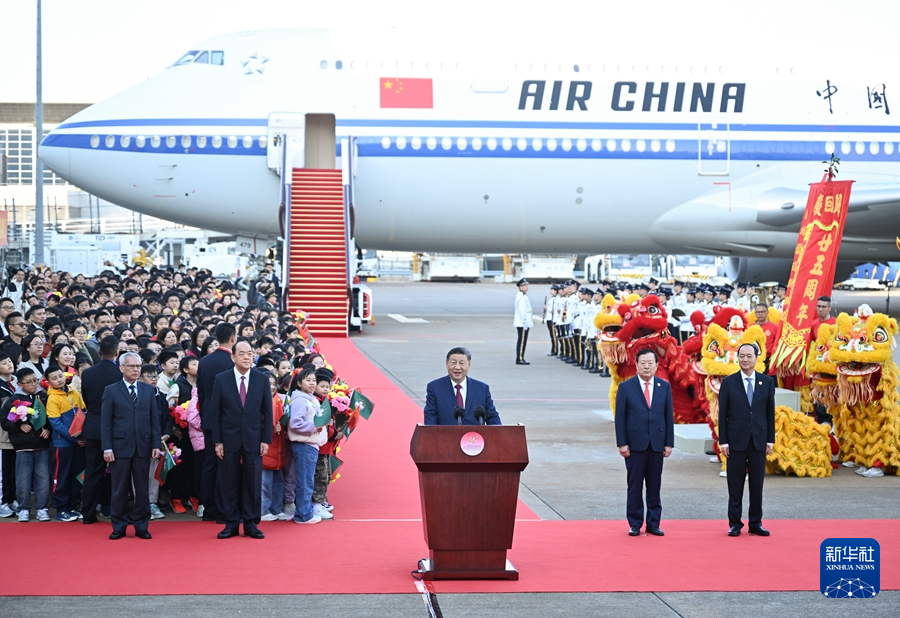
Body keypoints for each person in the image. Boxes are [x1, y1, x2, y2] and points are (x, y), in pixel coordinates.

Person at [207, 340, 273, 539]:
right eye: (242, 353)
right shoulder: (222, 379)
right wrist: (218, 441)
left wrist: (265, 439)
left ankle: (251, 523)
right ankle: (231, 523)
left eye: (250, 353)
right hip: (229, 439)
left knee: (253, 482)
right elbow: (215, 412)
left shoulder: (261, 379)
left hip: (254, 438)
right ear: (233, 357)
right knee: (229, 482)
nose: (247, 357)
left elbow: (267, 412)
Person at [101, 352, 162, 540]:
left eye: (138, 366)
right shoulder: (111, 390)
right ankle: (119, 526)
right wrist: (107, 448)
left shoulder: (147, 390)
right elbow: (106, 422)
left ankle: (141, 525)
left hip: (143, 445)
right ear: (121, 368)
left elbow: (154, 420)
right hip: (119, 446)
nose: (136, 369)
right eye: (131, 366)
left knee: (142, 488)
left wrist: (155, 444)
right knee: (119, 488)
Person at [614, 349, 674, 537]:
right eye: (643, 363)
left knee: (654, 486)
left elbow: (668, 417)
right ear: (636, 364)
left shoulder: (664, 387)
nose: (647, 366)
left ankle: (653, 523)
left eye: (650, 363)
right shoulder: (626, 387)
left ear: (657, 366)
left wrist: (668, 443)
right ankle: (635, 523)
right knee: (635, 486)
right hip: (635, 445)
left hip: (657, 444)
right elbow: (620, 418)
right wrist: (622, 443)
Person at [718, 343, 775, 537]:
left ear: (756, 358)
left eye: (748, 356)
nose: (745, 359)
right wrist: (723, 442)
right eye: (741, 356)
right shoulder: (728, 382)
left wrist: (770, 440)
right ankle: (735, 523)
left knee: (757, 484)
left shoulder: (766, 382)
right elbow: (722, 414)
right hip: (735, 441)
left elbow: (769, 413)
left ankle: (755, 522)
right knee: (735, 483)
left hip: (759, 440)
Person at [196, 322, 236, 522]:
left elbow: (201, 393)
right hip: (229, 421)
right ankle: (223, 510)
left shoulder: (204, 361)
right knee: (225, 465)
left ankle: (209, 508)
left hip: (210, 418)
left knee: (210, 463)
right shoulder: (233, 361)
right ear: (233, 338)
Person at [0, 368, 51, 522]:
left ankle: (42, 508)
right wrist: (19, 427)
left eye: (35, 380)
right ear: (20, 384)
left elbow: (51, 417)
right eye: (29, 382)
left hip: (42, 444)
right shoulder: (14, 400)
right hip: (22, 446)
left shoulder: (43, 396)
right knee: (23, 479)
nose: (33, 384)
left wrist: (48, 430)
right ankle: (23, 508)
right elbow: (5, 422)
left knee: (43, 479)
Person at [78, 335, 120, 524]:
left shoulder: (87, 373)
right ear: (117, 352)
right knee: (120, 471)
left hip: (94, 426)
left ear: (99, 351)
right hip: (117, 428)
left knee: (93, 471)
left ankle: (87, 514)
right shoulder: (120, 374)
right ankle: (117, 511)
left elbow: (87, 401)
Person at [45, 365, 86, 522]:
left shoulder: (74, 392)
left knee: (77, 476)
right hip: (62, 445)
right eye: (54, 378)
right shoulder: (52, 398)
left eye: (60, 376)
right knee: (60, 477)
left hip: (77, 444)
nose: (59, 380)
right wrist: (75, 438)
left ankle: (74, 506)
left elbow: (83, 412)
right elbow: (57, 425)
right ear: (48, 382)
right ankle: (61, 508)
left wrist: (83, 436)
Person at [286, 368, 327, 525]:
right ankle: (304, 515)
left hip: (310, 445)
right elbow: (296, 423)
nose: (312, 383)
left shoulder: (309, 398)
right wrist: (315, 427)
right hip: (305, 445)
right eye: (308, 380)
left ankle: (303, 510)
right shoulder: (300, 400)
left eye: (314, 381)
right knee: (305, 481)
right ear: (298, 383)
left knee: (305, 480)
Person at [423, 347, 501, 426]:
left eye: (462, 363)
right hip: (446, 437)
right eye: (453, 362)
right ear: (446, 363)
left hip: (474, 437)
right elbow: (430, 417)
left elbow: (492, 417)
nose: (457, 367)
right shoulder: (435, 388)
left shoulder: (482, 389)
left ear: (469, 364)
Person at [513, 278, 533, 365]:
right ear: (520, 287)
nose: (526, 287)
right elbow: (522, 311)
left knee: (522, 341)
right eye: (524, 285)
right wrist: (525, 322)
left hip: (523, 322)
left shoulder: (523, 295)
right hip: (522, 323)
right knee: (522, 341)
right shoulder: (521, 296)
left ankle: (521, 357)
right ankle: (520, 358)